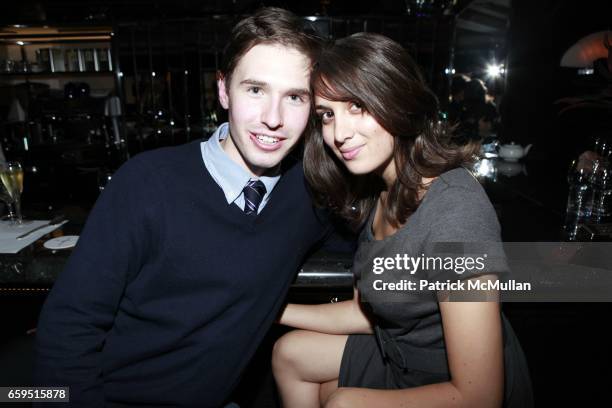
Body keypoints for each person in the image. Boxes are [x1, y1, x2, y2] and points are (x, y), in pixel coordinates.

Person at [34, 8, 337, 407]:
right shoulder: (146, 184)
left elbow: (386, 241)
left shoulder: (307, 192)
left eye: (294, 97)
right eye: (256, 90)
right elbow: (68, 331)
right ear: (224, 91)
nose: (273, 119)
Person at [272, 33, 533, 408]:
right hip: (399, 356)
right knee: (290, 351)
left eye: (357, 106)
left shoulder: (456, 211)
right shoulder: (378, 191)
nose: (338, 134)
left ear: (395, 99)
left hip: (454, 385)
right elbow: (368, 312)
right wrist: (271, 309)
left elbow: (480, 396)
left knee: (341, 402)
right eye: (327, 115)